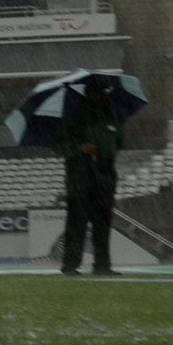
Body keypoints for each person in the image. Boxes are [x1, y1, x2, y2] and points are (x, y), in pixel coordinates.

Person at [55, 91, 120, 276]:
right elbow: (60, 146)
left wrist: (103, 150)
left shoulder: (111, 120)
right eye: (99, 94)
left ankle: (102, 264)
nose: (104, 97)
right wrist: (79, 148)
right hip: (79, 173)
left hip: (105, 173)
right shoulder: (72, 120)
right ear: (89, 96)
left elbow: (118, 142)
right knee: (77, 221)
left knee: (103, 222)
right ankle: (70, 265)